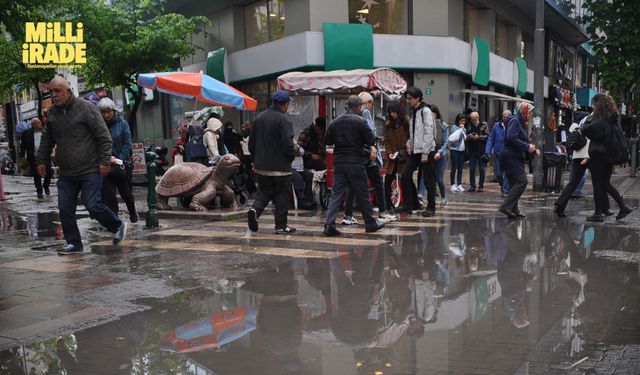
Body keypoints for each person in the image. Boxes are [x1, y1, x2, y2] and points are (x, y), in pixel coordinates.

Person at [35, 76, 127, 254]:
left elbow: (104, 137)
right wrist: (41, 160)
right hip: (67, 173)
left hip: (89, 169)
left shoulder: (87, 108)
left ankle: (117, 225)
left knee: (93, 205)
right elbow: (46, 140)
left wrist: (104, 161)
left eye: (58, 91)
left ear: (68, 91)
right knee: (65, 208)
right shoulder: (52, 114)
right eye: (51, 92)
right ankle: (74, 243)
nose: (54, 95)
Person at [323, 95, 385, 236]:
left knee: (336, 194)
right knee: (363, 193)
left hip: (339, 163)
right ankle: (370, 223)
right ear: (358, 107)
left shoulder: (335, 121)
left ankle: (329, 224)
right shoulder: (361, 122)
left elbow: (328, 139)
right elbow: (370, 140)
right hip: (356, 162)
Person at [342, 92, 397, 224]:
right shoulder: (365, 113)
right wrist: (374, 144)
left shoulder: (352, 114)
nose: (372, 105)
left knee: (352, 186)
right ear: (365, 103)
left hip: (358, 155)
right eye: (371, 102)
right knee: (378, 183)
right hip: (368, 155)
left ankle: (348, 215)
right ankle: (382, 213)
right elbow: (369, 132)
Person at [247, 91, 297, 234]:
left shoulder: (258, 118)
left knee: (264, 192)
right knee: (282, 196)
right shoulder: (283, 121)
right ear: (285, 104)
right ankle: (281, 226)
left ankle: (254, 210)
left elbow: (251, 144)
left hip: (261, 166)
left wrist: (256, 159)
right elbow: (288, 144)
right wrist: (290, 157)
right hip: (280, 167)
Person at [580, 94, 634, 222]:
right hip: (609, 156)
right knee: (605, 183)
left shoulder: (601, 120)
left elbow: (587, 130)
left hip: (599, 155)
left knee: (598, 185)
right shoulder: (612, 118)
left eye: (595, 105)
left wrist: (586, 123)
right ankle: (622, 206)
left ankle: (598, 213)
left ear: (598, 105)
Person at [97, 98, 138, 223]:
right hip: (106, 165)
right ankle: (115, 221)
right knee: (109, 195)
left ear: (114, 111)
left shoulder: (122, 124)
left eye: (108, 111)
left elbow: (127, 144)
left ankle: (132, 211)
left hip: (121, 164)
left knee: (126, 193)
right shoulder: (98, 126)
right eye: (103, 112)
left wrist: (118, 158)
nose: (106, 115)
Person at [498, 102, 540, 219]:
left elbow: (516, 138)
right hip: (511, 156)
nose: (531, 114)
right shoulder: (515, 120)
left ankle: (513, 209)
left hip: (511, 156)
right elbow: (511, 137)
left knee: (513, 183)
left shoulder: (518, 121)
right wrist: (527, 147)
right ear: (524, 110)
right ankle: (506, 206)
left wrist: (531, 147)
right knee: (522, 181)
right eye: (530, 112)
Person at [401, 87, 437, 217]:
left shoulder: (425, 111)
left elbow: (429, 131)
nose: (408, 101)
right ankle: (410, 204)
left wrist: (426, 152)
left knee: (428, 180)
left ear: (417, 98)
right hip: (416, 151)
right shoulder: (415, 112)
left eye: (410, 98)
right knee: (405, 175)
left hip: (426, 151)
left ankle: (431, 207)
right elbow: (414, 132)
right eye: (407, 98)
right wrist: (409, 144)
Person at [553, 111, 590, 217]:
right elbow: (588, 142)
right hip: (586, 156)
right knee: (600, 182)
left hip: (576, 156)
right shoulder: (586, 125)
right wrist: (587, 156)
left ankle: (559, 205)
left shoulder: (574, 126)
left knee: (572, 182)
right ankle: (601, 209)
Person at [382, 101, 409, 211]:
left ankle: (408, 203)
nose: (392, 114)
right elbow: (387, 140)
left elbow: (409, 138)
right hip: (392, 157)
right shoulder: (388, 124)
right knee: (388, 180)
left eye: (394, 112)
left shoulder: (406, 122)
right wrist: (389, 152)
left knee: (405, 180)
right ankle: (387, 204)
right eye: (390, 112)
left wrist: (403, 150)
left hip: (403, 155)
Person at [20, 118, 52, 198]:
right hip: (34, 157)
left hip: (45, 156)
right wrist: (22, 156)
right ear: (33, 125)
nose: (40, 124)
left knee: (49, 172)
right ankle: (39, 191)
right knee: (36, 174)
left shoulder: (45, 131)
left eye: (40, 123)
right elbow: (23, 146)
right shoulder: (26, 133)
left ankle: (46, 185)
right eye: (38, 123)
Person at [486, 110, 511, 197]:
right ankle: (503, 186)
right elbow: (491, 138)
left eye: (507, 117)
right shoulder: (496, 126)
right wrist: (488, 151)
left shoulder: (512, 126)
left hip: (508, 154)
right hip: (498, 153)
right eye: (504, 116)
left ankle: (505, 190)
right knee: (499, 174)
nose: (505, 118)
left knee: (507, 172)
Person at [430, 105, 450, 207]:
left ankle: (443, 198)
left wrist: (440, 152)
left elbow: (446, 142)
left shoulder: (443, 125)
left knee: (439, 179)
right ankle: (431, 198)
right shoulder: (427, 125)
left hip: (441, 155)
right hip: (431, 154)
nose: (431, 115)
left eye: (433, 113)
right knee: (431, 178)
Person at [466, 111, 488, 192]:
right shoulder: (469, 126)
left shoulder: (484, 125)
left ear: (478, 117)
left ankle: (481, 186)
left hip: (481, 150)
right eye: (472, 119)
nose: (473, 121)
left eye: (475, 119)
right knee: (472, 169)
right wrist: (470, 136)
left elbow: (487, 136)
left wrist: (478, 137)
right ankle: (472, 186)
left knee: (482, 169)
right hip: (472, 150)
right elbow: (466, 136)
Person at [448, 113, 467, 192]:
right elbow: (454, 138)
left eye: (464, 121)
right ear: (458, 121)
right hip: (454, 150)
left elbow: (465, 138)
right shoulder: (454, 127)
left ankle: (459, 184)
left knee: (460, 168)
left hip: (461, 151)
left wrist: (463, 130)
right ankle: (452, 184)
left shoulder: (464, 129)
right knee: (454, 168)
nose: (462, 123)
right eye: (461, 121)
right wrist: (460, 130)